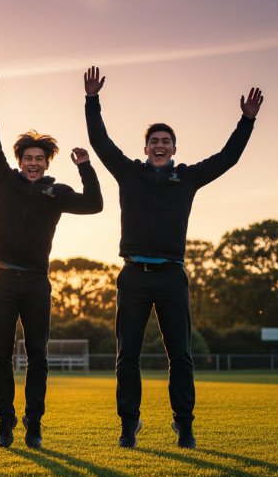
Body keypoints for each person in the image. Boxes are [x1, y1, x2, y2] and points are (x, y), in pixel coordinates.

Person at [83, 66, 264, 449]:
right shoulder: (129, 173)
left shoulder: (188, 177)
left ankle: (184, 425)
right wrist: (92, 100)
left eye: (166, 140)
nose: (160, 144)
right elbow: (100, 143)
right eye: (154, 140)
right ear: (145, 146)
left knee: (180, 355)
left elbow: (226, 158)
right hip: (133, 276)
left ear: (174, 148)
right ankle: (129, 424)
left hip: (170, 277)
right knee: (126, 355)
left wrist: (245, 122)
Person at [0, 76, 103, 448]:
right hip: (1, 281)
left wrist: (85, 167)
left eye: (39, 159)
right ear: (19, 162)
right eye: (28, 158)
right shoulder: (5, 180)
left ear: (47, 162)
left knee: (38, 356)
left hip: (35, 283)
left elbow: (94, 204)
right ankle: (5, 424)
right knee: (1, 356)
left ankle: (34, 425)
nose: (33, 163)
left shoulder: (57, 192)